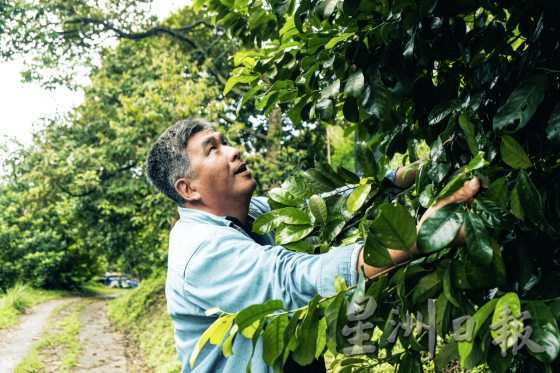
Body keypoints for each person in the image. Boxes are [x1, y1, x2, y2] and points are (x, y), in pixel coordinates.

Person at [145, 118, 480, 372]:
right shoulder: (202, 252)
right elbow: (292, 278)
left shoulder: (252, 213)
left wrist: (411, 174)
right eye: (212, 149)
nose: (233, 150)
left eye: (225, 141)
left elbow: (324, 208)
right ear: (188, 189)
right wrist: (418, 240)